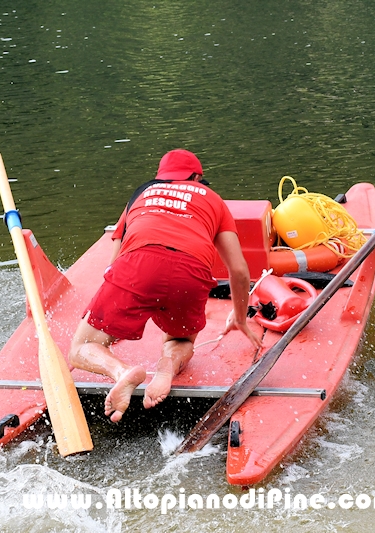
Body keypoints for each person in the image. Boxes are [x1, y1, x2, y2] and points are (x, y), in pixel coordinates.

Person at [67, 149, 261, 423]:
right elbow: (239, 270)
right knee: (179, 339)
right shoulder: (214, 200)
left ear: (161, 177)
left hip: (136, 266)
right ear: (197, 177)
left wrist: (115, 316)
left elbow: (112, 266)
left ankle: (121, 372)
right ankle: (167, 366)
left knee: (82, 347)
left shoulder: (142, 194)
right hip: (189, 271)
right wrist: (240, 317)